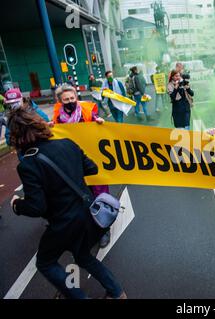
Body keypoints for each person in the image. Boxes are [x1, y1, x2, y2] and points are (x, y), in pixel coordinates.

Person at [8, 105, 126, 299]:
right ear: (39, 124)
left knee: (45, 262)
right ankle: (117, 292)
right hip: (89, 214)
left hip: (63, 223)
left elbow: (37, 207)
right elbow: (92, 168)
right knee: (83, 256)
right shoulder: (67, 144)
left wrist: (16, 204)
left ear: (16, 136)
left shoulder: (28, 164)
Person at [51, 84, 111, 248]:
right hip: (72, 164)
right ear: (60, 101)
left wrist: (100, 122)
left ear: (76, 97)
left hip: (92, 160)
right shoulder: (57, 118)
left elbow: (98, 126)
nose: (70, 101)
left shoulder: (87, 111)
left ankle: (104, 229)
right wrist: (50, 129)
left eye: (72, 98)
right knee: (82, 197)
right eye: (66, 99)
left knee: (100, 193)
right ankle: (90, 229)